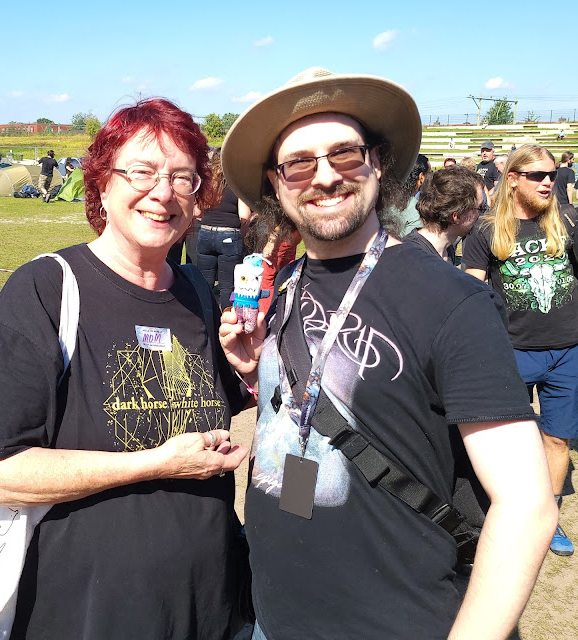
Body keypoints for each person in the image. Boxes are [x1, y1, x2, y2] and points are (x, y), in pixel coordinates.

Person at [218, 67, 557, 640]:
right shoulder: (288, 285)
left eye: (345, 154)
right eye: (299, 162)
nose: (325, 176)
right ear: (276, 182)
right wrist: (259, 369)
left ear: (377, 162)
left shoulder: (453, 301)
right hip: (273, 617)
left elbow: (526, 505)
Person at [0, 98, 251, 639]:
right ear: (103, 185)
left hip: (209, 607)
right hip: (86, 614)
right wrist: (156, 464)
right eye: (142, 171)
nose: (163, 192)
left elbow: (201, 409)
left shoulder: (197, 292)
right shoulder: (47, 289)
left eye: (182, 177)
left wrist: (247, 370)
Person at [465, 144, 578, 558]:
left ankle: (547, 517)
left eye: (551, 175)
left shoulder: (568, 220)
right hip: (511, 350)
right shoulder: (486, 230)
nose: (548, 182)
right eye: (537, 175)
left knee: (558, 439)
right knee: (500, 438)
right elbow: (472, 290)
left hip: (568, 350)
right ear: (512, 179)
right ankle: (496, 511)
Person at [196, 149, 252, 309]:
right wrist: (244, 238)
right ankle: (226, 318)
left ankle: (203, 316)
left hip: (205, 233)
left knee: (203, 282)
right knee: (227, 286)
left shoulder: (207, 185)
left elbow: (197, 212)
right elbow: (244, 216)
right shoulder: (236, 184)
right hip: (229, 235)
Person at [405, 165, 485, 263]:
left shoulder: (446, 249)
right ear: (456, 216)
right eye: (480, 208)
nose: (482, 214)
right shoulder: (413, 258)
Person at [380, 153, 431, 237]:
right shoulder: (417, 210)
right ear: (421, 177)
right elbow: (411, 242)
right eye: (430, 173)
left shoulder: (385, 198)